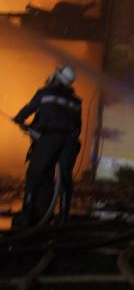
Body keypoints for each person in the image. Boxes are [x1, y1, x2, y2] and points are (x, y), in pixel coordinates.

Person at [12, 65, 82, 226]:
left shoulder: (45, 93)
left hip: (50, 138)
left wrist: (19, 119)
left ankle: (27, 215)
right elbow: (78, 126)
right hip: (71, 142)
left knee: (34, 174)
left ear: (56, 78)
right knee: (64, 177)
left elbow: (29, 109)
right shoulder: (76, 101)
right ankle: (63, 216)